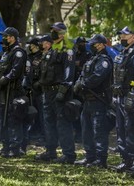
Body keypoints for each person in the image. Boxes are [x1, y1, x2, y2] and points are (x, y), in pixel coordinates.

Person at [35, 22, 76, 164]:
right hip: (47, 92)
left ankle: (69, 154)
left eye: (56, 31)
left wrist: (62, 92)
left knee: (63, 123)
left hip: (60, 92)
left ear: (63, 33)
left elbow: (68, 74)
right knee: (49, 122)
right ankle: (51, 151)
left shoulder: (68, 50)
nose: (52, 32)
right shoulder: (52, 50)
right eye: (51, 30)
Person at [74, 34, 113, 168]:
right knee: (87, 130)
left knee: (99, 131)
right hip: (87, 101)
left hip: (98, 100)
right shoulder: (92, 59)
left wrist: (84, 84)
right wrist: (78, 83)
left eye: (94, 44)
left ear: (101, 45)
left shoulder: (104, 60)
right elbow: (83, 74)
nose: (91, 46)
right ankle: (90, 157)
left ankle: (101, 160)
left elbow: (97, 77)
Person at [112, 26, 134, 172]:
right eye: (121, 35)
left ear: (133, 37)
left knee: (131, 128)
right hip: (120, 96)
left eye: (125, 36)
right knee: (121, 129)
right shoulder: (124, 53)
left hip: (130, 96)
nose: (122, 38)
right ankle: (126, 159)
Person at [0, 27, 28, 158]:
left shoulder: (18, 52)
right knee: (3, 120)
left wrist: (3, 80)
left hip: (13, 91)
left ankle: (15, 148)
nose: (4, 39)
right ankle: (5, 147)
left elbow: (15, 71)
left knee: (13, 119)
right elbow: (0, 69)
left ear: (12, 38)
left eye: (6, 36)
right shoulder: (7, 53)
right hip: (3, 91)